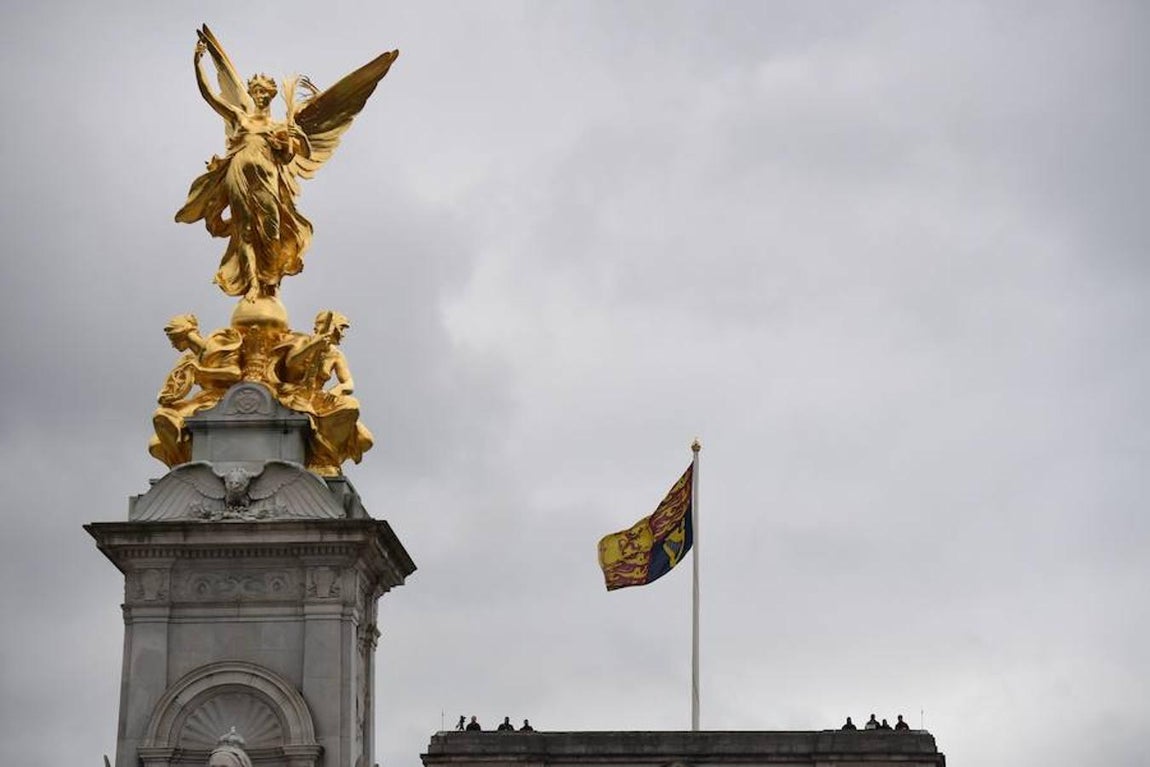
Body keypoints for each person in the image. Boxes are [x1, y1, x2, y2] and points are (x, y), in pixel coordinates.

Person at [178, 37, 313, 302]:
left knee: (272, 229)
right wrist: (197, 63)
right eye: (256, 91)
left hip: (267, 178)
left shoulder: (278, 127)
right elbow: (209, 96)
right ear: (251, 94)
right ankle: (253, 283)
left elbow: (295, 156)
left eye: (264, 92)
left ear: (271, 95)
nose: (260, 95)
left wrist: (298, 138)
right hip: (238, 174)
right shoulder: (241, 118)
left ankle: (270, 278)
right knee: (246, 231)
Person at [274, 310, 373, 474]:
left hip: (319, 398)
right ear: (331, 327)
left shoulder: (335, 355)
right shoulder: (303, 342)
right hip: (294, 395)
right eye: (341, 328)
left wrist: (337, 390)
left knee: (364, 438)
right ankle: (321, 459)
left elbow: (348, 382)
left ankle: (326, 457)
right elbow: (290, 363)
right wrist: (314, 345)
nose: (342, 334)